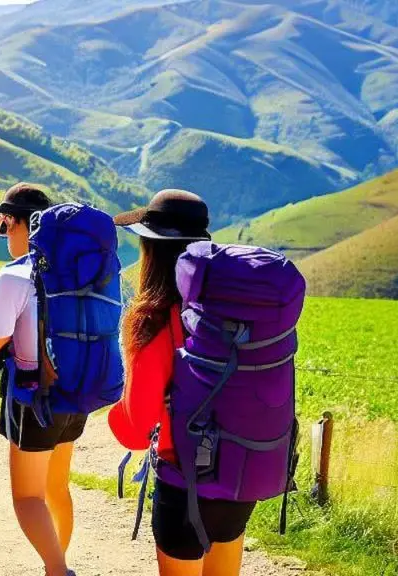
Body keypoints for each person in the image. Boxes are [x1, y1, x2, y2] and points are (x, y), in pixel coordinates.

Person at [110, 189, 256, 576]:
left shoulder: (152, 320)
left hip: (184, 483)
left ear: (150, 251)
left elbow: (137, 432)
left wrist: (116, 413)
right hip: (239, 479)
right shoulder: (231, 310)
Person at [0, 183, 78, 576]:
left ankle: (58, 570)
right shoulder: (70, 269)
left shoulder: (15, 275)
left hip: (34, 395)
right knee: (56, 488)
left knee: (27, 497)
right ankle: (57, 562)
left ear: (18, 224)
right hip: (74, 391)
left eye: (5, 227)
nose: (4, 236)